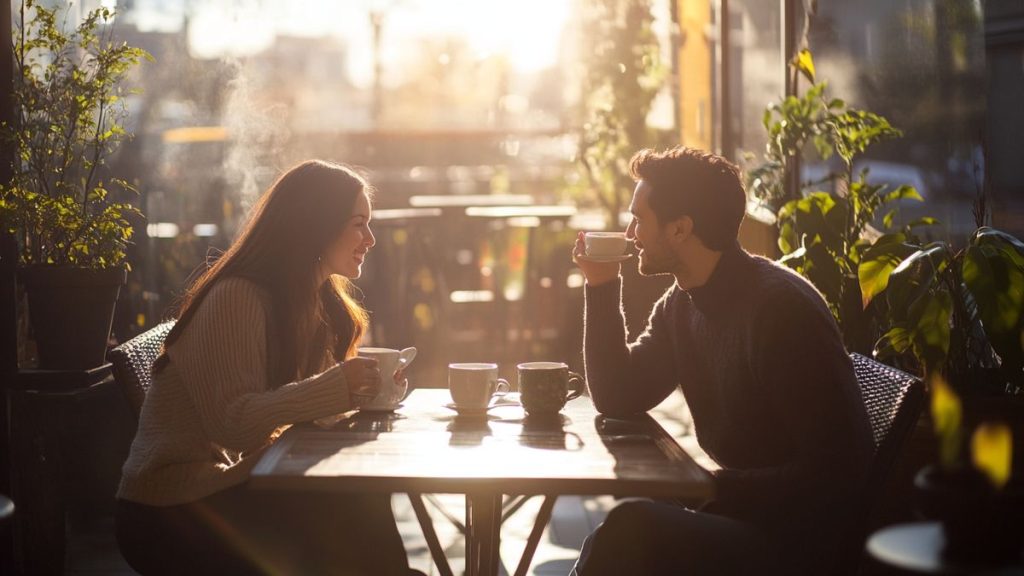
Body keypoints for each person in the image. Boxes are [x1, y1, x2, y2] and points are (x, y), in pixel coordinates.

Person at [570, 147, 873, 575]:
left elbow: (840, 468)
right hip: (743, 519)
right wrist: (601, 285)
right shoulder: (684, 303)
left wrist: (712, 487)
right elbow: (618, 394)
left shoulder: (781, 312)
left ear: (680, 229)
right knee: (623, 532)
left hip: (796, 544)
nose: (630, 233)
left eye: (639, 219)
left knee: (631, 529)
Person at [115, 160, 414, 576]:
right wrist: (336, 387)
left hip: (227, 484)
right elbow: (233, 423)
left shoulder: (316, 301)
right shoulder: (237, 296)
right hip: (169, 507)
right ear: (316, 225)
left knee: (354, 504)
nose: (371, 238)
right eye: (358, 223)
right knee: (348, 514)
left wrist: (366, 392)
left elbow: (313, 410)